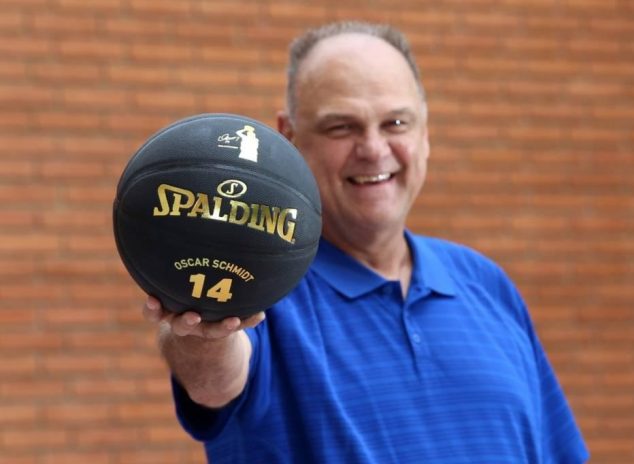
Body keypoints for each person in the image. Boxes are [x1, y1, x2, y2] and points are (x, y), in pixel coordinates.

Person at [143, 20, 589, 463]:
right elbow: (215, 380)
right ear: (289, 137)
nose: (374, 149)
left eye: (395, 122)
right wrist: (204, 331)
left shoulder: (486, 284)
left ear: (425, 134)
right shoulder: (258, 283)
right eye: (341, 127)